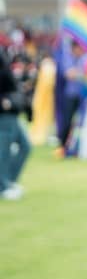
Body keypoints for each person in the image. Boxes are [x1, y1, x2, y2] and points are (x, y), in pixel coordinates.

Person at [0, 49, 31, 201]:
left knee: (25, 146)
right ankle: (3, 187)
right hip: (4, 115)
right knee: (3, 152)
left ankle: (8, 181)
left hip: (14, 113)